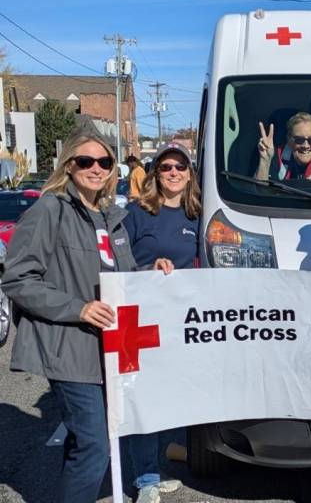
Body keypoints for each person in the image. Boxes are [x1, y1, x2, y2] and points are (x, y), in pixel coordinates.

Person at [1, 129, 173, 503]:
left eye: (105, 162)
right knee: (96, 445)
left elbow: (118, 277)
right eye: (86, 161)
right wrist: (77, 308)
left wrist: (149, 271)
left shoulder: (111, 216)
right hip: (67, 348)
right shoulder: (51, 209)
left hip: (106, 349)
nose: (96, 169)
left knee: (84, 442)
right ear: (69, 166)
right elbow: (17, 279)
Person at [121, 141, 200, 502]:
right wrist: (145, 270)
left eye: (180, 167)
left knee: (170, 399)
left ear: (189, 173)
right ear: (155, 173)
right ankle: (145, 479)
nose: (173, 173)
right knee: (143, 400)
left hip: (180, 323)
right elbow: (116, 264)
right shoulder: (138, 213)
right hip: (141, 319)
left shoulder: (197, 215)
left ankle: (155, 467)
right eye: (165, 167)